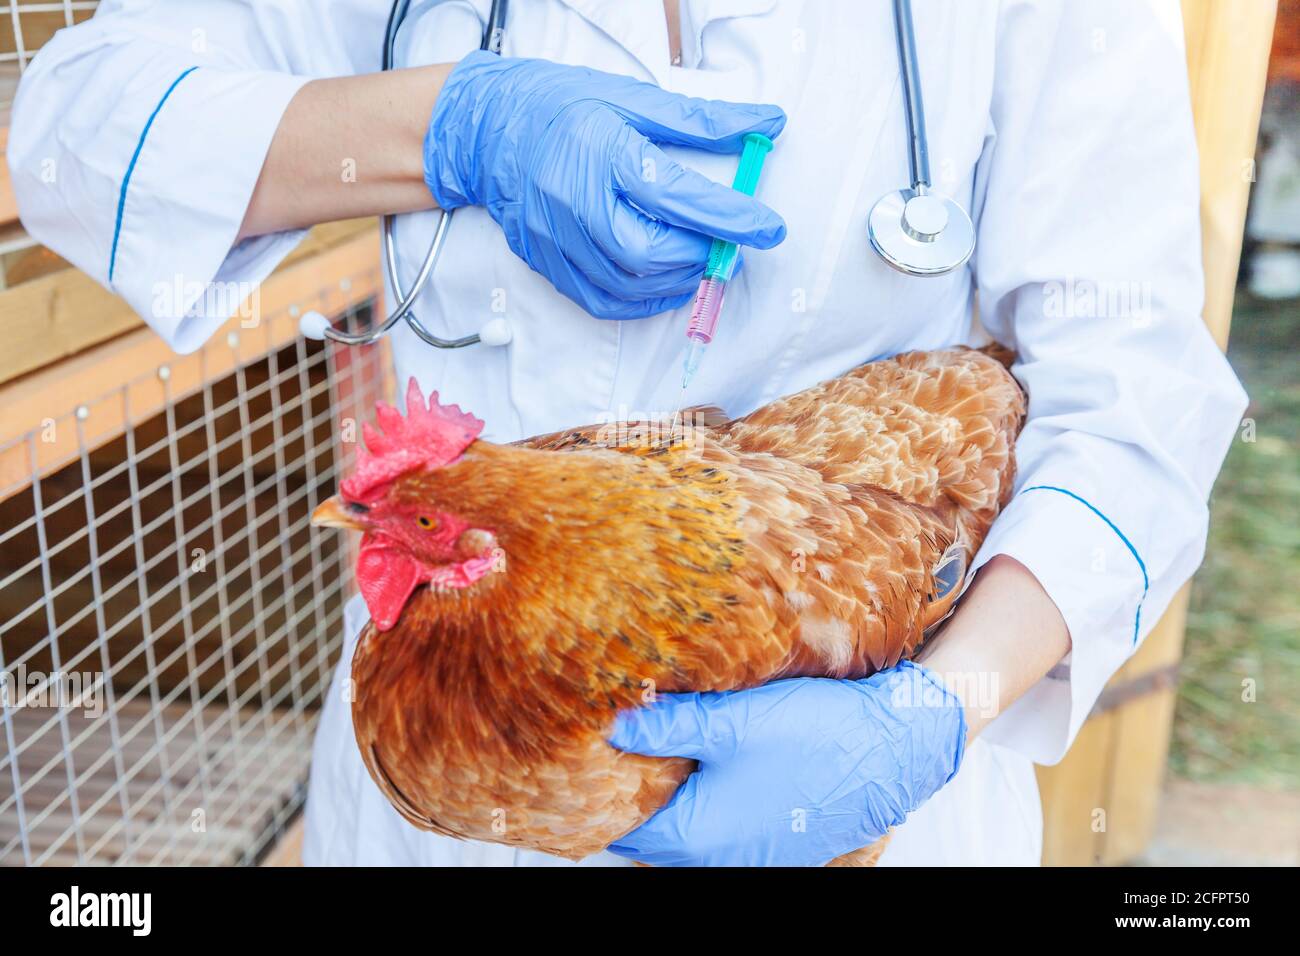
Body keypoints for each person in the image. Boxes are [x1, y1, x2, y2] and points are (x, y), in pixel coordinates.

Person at [8, 0, 1246, 866]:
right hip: (448, 766)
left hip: (867, 762)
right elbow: (76, 126)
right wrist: (446, 124)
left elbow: (1134, 389)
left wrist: (938, 710)